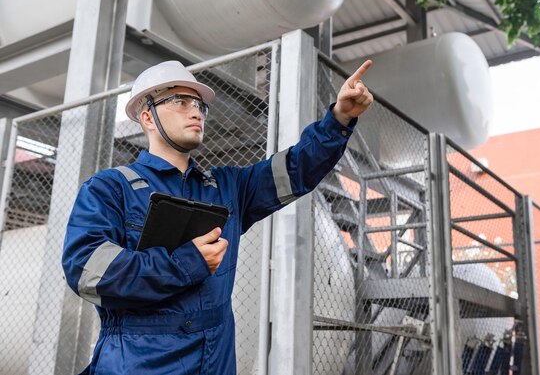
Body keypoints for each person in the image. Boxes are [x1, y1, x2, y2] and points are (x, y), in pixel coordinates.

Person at [62, 58, 374, 375]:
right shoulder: (111, 188)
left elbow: (295, 169)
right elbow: (86, 270)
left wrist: (339, 118)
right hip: (140, 364)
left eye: (199, 105)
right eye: (180, 101)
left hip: (215, 362)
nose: (196, 111)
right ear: (148, 117)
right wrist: (185, 263)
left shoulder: (227, 187)